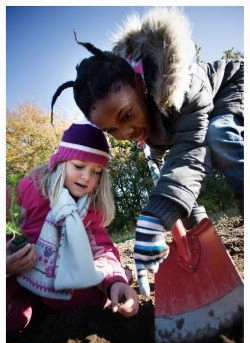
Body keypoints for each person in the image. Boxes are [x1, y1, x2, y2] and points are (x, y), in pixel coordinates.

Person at [50, 7, 244, 281]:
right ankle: (201, 230)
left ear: (140, 85)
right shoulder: (144, 122)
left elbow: (190, 157)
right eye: (112, 129)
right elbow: (173, 171)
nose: (126, 133)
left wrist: (155, 218)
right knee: (170, 175)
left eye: (127, 116)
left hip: (233, 87)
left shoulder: (183, 87)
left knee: (219, 135)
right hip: (181, 120)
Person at [6, 121, 139, 334]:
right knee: (12, 318)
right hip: (16, 278)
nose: (87, 177)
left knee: (96, 301)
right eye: (79, 166)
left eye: (96, 172)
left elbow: (101, 249)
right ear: (61, 163)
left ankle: (121, 275)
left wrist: (115, 281)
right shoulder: (29, 190)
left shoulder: (90, 209)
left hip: (59, 283)